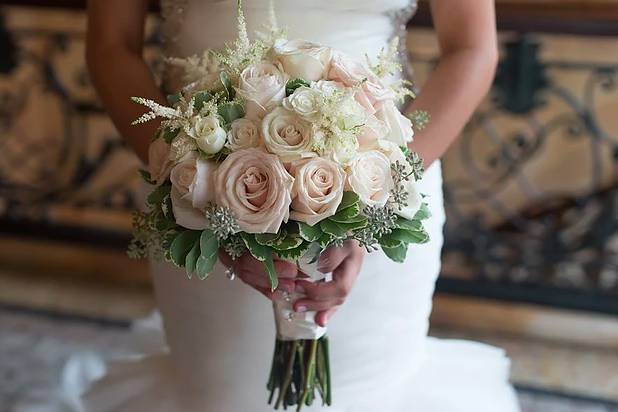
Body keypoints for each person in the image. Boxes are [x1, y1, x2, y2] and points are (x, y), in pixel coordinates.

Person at [82, 0, 520, 411]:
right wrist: (194, 181)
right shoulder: (192, 186)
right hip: (193, 193)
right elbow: (111, 46)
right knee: (221, 391)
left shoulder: (382, 191)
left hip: (382, 182)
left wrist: (378, 195)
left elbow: (471, 48)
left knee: (371, 390)